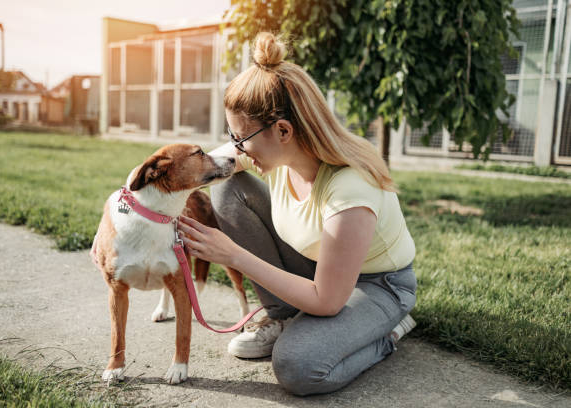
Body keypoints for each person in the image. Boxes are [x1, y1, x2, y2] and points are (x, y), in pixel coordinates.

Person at [177, 32, 417, 396]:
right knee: (228, 183)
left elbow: (328, 299)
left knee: (298, 367)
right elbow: (216, 164)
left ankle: (386, 334)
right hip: (319, 266)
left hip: (377, 286)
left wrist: (232, 254)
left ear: (283, 130)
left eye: (241, 138)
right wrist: (145, 196)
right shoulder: (279, 149)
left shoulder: (352, 187)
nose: (237, 147)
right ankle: (285, 315)